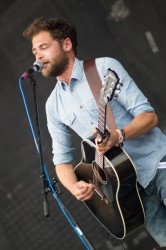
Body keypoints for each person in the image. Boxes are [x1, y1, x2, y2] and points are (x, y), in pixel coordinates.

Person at [22, 17, 166, 247]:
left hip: (158, 164)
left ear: (66, 45)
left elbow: (149, 117)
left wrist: (118, 135)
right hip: (129, 193)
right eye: (34, 50)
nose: (37, 56)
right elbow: (61, 161)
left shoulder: (102, 68)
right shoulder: (53, 106)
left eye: (44, 47)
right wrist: (73, 186)